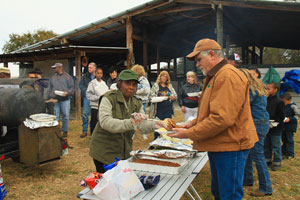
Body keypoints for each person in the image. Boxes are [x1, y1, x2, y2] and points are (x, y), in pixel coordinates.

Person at [168, 38, 258, 200]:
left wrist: (189, 133)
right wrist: (191, 123)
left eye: (198, 60)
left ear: (211, 55)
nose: (197, 64)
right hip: (222, 144)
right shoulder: (216, 76)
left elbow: (221, 119)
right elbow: (212, 110)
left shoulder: (226, 76)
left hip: (231, 146)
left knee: (229, 195)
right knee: (219, 192)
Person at [89, 69, 164, 173]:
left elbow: (142, 124)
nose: (131, 87)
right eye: (127, 83)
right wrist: (130, 123)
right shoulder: (108, 98)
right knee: (107, 184)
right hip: (104, 152)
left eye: (134, 84)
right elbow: (105, 122)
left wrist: (155, 124)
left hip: (124, 151)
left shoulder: (136, 102)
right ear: (120, 84)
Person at [240, 69, 273, 197]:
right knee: (248, 152)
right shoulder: (257, 87)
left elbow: (241, 105)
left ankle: (266, 187)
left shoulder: (249, 90)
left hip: (256, 124)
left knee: (258, 156)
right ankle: (248, 179)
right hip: (261, 123)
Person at [48, 63, 75, 137]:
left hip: (65, 99)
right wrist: (50, 97)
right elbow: (50, 88)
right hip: (55, 99)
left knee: (65, 116)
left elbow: (72, 88)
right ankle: (56, 131)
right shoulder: (53, 77)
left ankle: (65, 131)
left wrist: (68, 93)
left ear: (59, 68)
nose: (54, 69)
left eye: (55, 68)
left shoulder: (67, 77)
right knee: (55, 116)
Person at [149, 70, 177, 139]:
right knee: (157, 126)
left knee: (168, 126)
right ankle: (156, 139)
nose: (164, 78)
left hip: (168, 110)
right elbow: (151, 97)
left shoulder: (169, 86)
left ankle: (168, 140)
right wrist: (160, 98)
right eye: (162, 76)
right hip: (158, 110)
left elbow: (175, 95)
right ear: (160, 77)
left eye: (165, 76)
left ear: (167, 78)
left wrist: (173, 97)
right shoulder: (156, 86)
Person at [265, 82, 285, 171]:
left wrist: (276, 122)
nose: (266, 90)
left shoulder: (279, 102)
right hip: (266, 126)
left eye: (268, 89)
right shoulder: (265, 100)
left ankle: (277, 161)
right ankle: (267, 159)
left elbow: (281, 116)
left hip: (276, 127)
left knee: (276, 145)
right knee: (266, 144)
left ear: (275, 90)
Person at [86, 68, 109, 136]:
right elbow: (88, 94)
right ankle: (92, 134)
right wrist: (97, 98)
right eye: (98, 73)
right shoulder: (92, 83)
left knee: (102, 120)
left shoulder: (103, 83)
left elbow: (106, 92)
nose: (99, 74)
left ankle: (101, 135)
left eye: (101, 73)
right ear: (95, 74)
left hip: (102, 106)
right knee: (94, 121)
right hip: (94, 105)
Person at [131, 64, 151, 139]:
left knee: (142, 118)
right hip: (135, 100)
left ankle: (143, 133)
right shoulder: (135, 80)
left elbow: (146, 90)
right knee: (133, 117)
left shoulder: (143, 80)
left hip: (142, 101)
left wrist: (135, 92)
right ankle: (133, 132)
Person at [79, 62, 97, 138]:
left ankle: (94, 131)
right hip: (87, 98)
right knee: (85, 114)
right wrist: (86, 92)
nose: (89, 69)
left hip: (96, 98)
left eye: (90, 67)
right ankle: (84, 131)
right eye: (88, 67)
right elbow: (80, 85)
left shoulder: (99, 76)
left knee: (95, 115)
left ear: (95, 68)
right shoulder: (85, 76)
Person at [281, 92, 300, 159]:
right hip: (284, 126)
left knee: (289, 140)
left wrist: (290, 119)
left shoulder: (293, 106)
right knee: (284, 139)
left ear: (288, 100)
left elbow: (297, 115)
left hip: (290, 127)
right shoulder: (283, 106)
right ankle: (284, 152)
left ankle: (290, 153)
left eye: (284, 101)